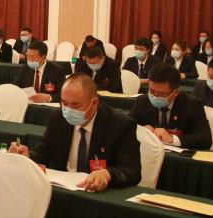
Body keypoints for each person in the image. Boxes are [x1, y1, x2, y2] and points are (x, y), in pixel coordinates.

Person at [9, 74, 141, 191]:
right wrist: (28, 156)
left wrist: (108, 174)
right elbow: (44, 152)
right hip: (63, 188)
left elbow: (132, 171)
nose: (68, 110)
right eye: (64, 103)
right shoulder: (58, 117)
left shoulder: (119, 125)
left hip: (97, 192)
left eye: (75, 105)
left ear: (94, 103)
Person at [129, 63, 212, 149]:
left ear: (175, 93)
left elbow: (205, 139)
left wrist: (172, 139)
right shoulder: (142, 101)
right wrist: (140, 130)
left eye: (161, 94)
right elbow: (126, 127)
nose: (155, 96)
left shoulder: (192, 105)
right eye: (152, 91)